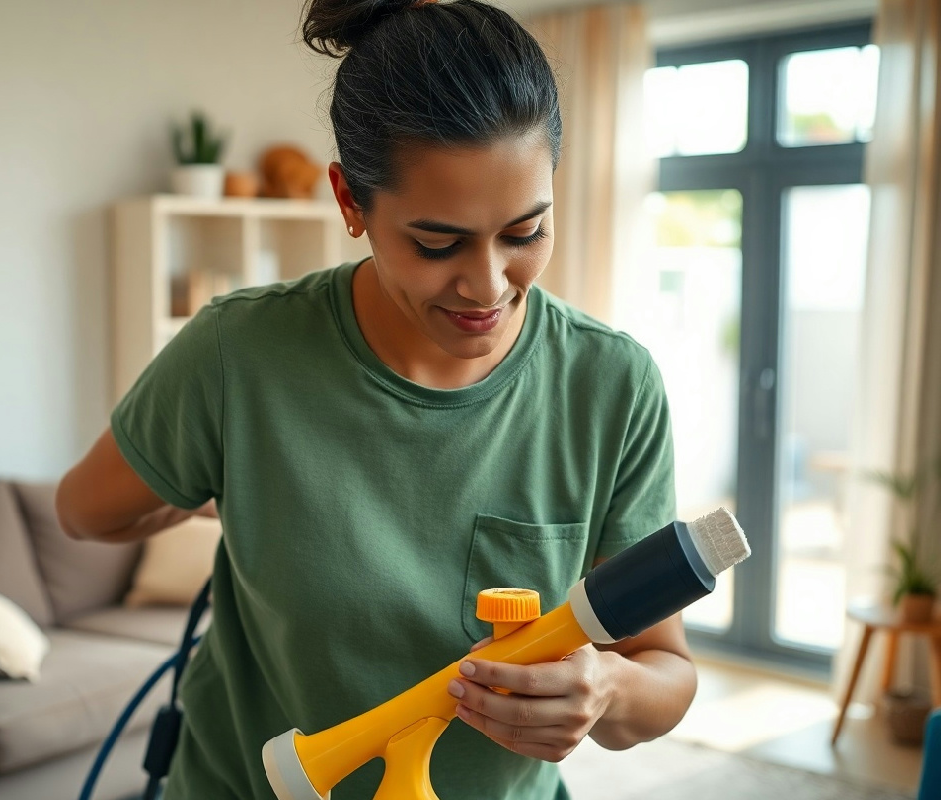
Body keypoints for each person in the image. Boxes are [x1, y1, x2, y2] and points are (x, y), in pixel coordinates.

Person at [56, 1, 697, 798]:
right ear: (350, 202)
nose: (488, 285)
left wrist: (606, 691)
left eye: (526, 231)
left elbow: (664, 668)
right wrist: (233, 494)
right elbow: (86, 512)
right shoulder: (238, 355)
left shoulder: (611, 386)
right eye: (438, 243)